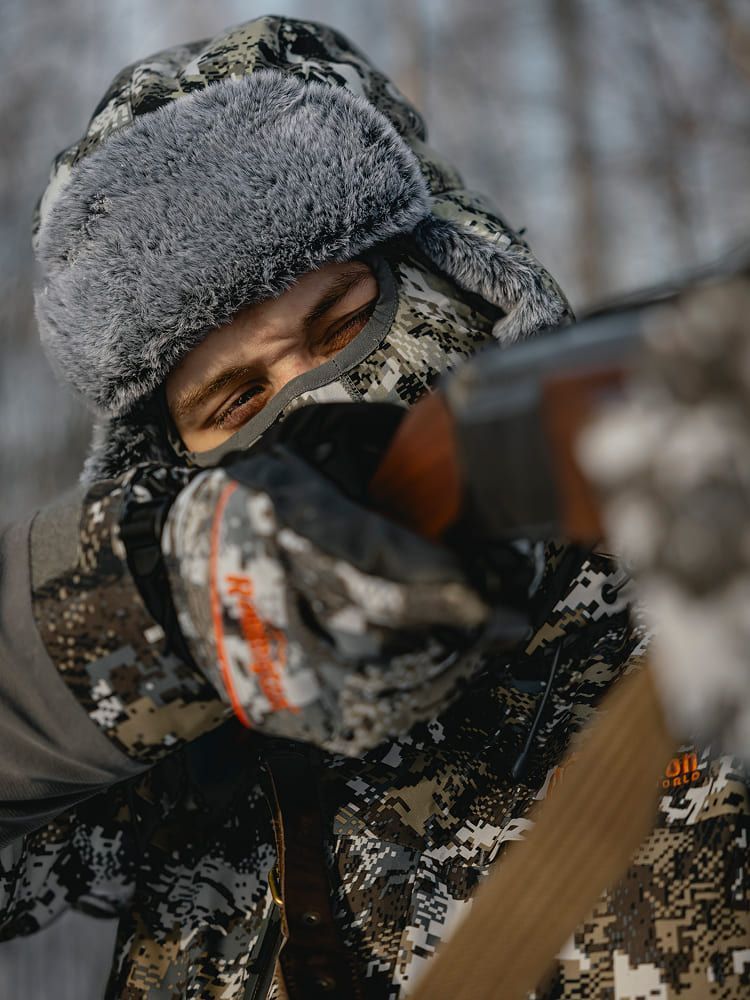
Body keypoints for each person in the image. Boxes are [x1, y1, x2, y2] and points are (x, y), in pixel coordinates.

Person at [1, 15, 747, 999]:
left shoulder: (699, 590)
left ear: (462, 281)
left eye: (344, 323)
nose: (320, 403)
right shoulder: (180, 746)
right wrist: (162, 606)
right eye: (236, 401)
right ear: (169, 466)